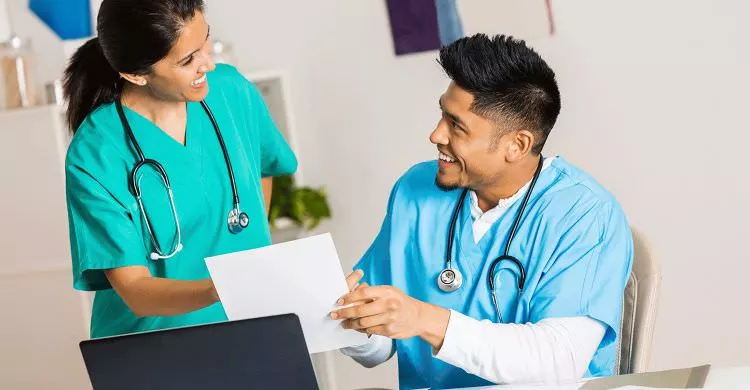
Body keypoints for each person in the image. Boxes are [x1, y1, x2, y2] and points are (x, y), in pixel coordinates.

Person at [332, 34, 633, 389]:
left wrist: (426, 319)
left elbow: (559, 361)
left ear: (516, 145)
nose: (435, 134)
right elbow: (380, 347)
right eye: (442, 115)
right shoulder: (415, 190)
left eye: (456, 125)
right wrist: (356, 324)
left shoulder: (584, 215)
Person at [63, 0, 297, 338]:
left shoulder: (232, 92)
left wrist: (248, 262)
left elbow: (263, 167)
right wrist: (224, 287)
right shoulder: (96, 152)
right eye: (188, 60)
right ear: (135, 74)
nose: (210, 65)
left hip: (254, 323)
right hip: (154, 348)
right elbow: (136, 290)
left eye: (205, 43)